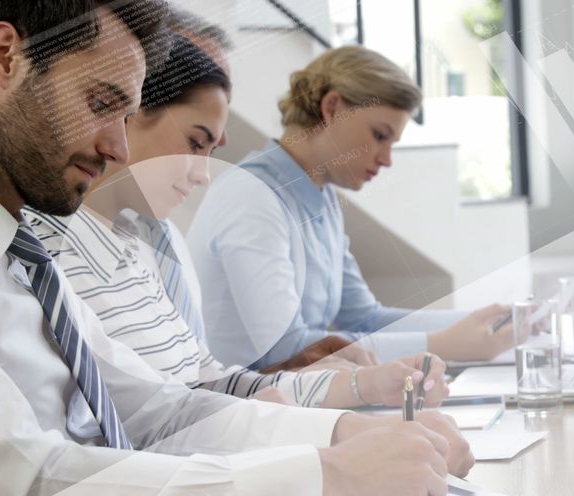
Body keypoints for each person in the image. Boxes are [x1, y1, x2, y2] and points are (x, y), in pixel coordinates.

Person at [0, 3, 472, 496]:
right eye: (101, 104)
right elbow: (28, 493)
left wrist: (343, 435)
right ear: (2, 57)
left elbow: (161, 413)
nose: (120, 147)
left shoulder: (17, 252)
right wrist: (326, 476)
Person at [28, 33, 447, 409]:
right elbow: (160, 417)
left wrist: (361, 388)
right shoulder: (57, 253)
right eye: (196, 143)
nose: (203, 174)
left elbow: (203, 382)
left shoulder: (136, 244)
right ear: (131, 114)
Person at [186, 46, 517, 370]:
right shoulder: (253, 196)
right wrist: (442, 343)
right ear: (332, 108)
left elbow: (364, 317)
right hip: (245, 409)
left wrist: (485, 322)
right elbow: (285, 350)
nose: (386, 159)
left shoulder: (321, 196)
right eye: (379, 135)